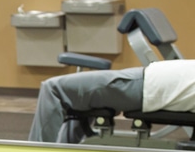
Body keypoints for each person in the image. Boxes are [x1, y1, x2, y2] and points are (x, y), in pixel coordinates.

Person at [28, 59, 195, 142]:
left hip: (143, 84)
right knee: (71, 93)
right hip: (148, 79)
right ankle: (66, 149)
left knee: (53, 88)